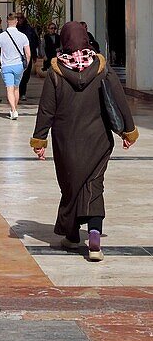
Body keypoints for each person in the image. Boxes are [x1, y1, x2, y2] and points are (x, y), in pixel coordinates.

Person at [31, 21, 138, 261]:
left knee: (70, 186)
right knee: (93, 185)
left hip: (66, 141)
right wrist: (128, 131)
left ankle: (71, 235)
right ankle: (95, 237)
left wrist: (40, 140)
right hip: (98, 139)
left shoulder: (56, 71)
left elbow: (46, 110)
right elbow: (119, 100)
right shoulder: (102, 67)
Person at [0, 12, 31, 121]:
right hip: (19, 65)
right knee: (16, 88)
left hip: (6, 66)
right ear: (16, 22)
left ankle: (13, 110)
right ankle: (15, 108)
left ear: (7, 22)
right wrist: (26, 65)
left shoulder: (0, 36)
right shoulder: (23, 36)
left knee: (9, 89)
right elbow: (28, 53)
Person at [16, 13, 40, 100]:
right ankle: (16, 93)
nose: (19, 20)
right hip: (16, 56)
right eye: (17, 18)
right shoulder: (13, 30)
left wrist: (34, 55)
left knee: (25, 75)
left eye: (20, 18)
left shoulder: (29, 29)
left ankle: (22, 93)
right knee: (17, 74)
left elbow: (34, 42)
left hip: (27, 55)